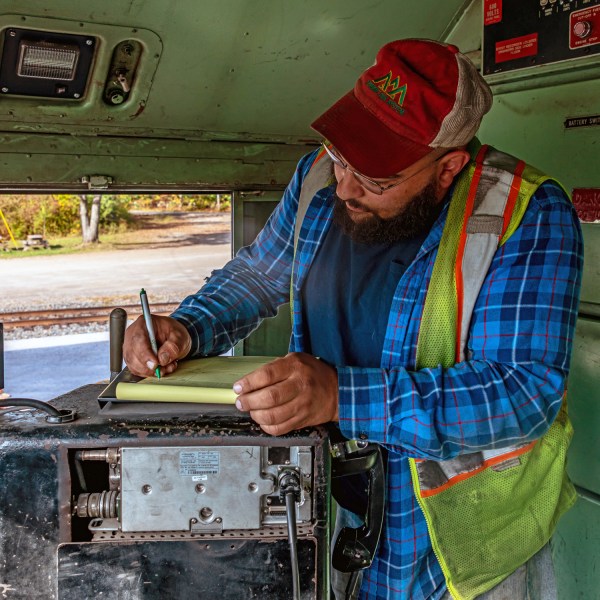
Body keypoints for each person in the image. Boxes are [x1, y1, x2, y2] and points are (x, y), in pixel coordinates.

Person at [123, 39, 583, 600]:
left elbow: (523, 392)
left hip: (461, 546)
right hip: (338, 504)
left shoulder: (525, 214)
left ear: (448, 169)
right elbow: (259, 274)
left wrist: (341, 396)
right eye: (342, 158)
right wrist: (189, 327)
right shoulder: (320, 176)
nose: (345, 187)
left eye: (377, 181)